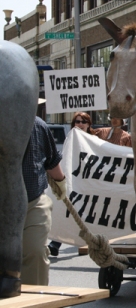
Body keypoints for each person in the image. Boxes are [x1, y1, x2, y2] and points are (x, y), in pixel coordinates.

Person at [22, 116, 67, 285]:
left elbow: (51, 160)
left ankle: (36, 300)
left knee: (35, 252)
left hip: (33, 202)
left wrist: (60, 182)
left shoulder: (38, 125)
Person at [48, 111, 96, 257]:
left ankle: (83, 242)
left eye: (83, 122)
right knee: (66, 211)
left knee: (84, 215)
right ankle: (55, 243)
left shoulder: (95, 141)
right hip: (73, 183)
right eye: (77, 121)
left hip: (89, 185)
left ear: (89, 125)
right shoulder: (70, 138)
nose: (79, 124)